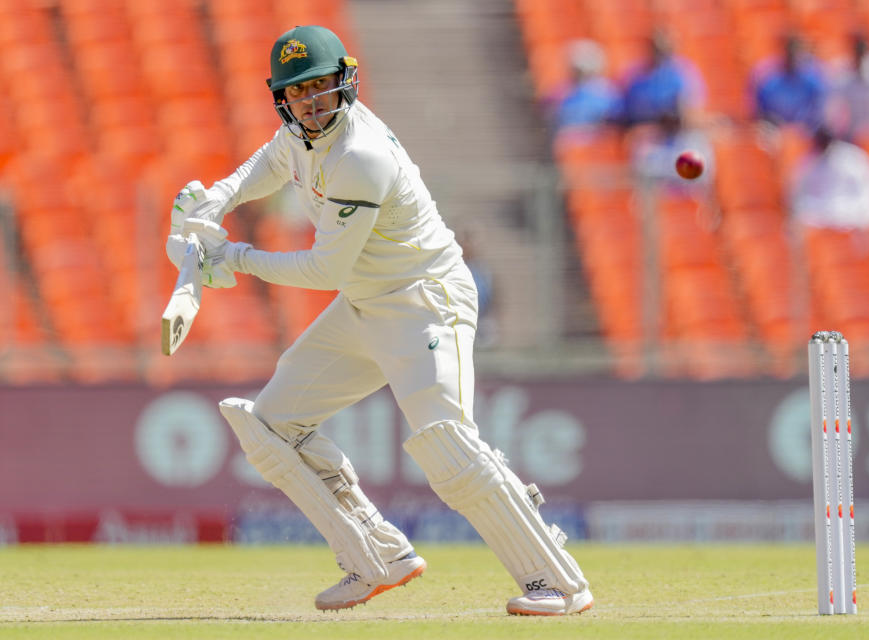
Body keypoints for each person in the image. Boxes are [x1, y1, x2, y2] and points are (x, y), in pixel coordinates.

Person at [164, 25, 592, 616]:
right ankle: (377, 556)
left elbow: (325, 268)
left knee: (446, 443)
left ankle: (557, 582)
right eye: (297, 94)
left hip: (423, 302)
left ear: (346, 81)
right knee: (273, 426)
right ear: (280, 98)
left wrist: (234, 256)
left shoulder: (359, 155)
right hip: (367, 304)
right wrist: (218, 198)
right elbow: (268, 161)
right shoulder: (300, 134)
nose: (311, 104)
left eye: (320, 88)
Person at [788, 126, 869, 236]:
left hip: (852, 224)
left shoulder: (853, 158)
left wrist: (849, 218)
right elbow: (798, 198)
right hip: (819, 228)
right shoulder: (808, 161)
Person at [621, 29, 706, 128]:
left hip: (680, 130)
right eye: (657, 47)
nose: (661, 52)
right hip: (648, 130)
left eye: (666, 47)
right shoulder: (635, 74)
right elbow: (630, 110)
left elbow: (692, 108)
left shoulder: (684, 71)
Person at [752, 32, 827, 131]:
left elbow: (818, 115)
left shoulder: (813, 85)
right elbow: (761, 114)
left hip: (805, 134)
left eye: (798, 54)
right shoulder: (770, 86)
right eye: (791, 54)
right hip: (777, 133)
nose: (794, 59)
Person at [545, 39, 623, 133]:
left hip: (598, 142)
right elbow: (549, 119)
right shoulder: (559, 92)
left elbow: (615, 124)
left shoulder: (609, 92)